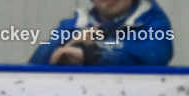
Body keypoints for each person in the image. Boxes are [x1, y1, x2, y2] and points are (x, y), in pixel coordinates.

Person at [30, 0, 173, 66]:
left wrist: (95, 52)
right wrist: (66, 46)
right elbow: (35, 63)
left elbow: (155, 55)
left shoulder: (153, 22)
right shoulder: (74, 25)